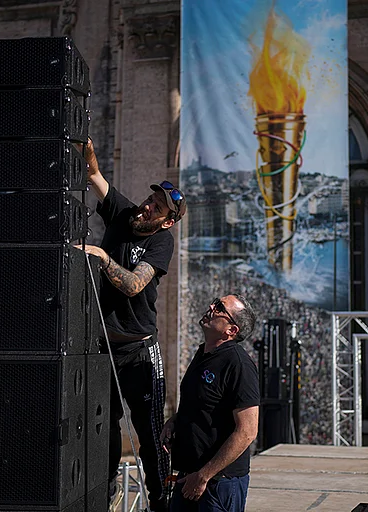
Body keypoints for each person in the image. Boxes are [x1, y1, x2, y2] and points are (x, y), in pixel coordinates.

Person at [80, 137, 187, 512]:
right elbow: (94, 174)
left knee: (150, 432)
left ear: (168, 220)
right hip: (104, 346)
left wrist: (104, 259)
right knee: (104, 424)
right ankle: (106, 496)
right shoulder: (124, 214)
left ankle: (161, 501)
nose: (147, 206)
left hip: (140, 348)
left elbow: (135, 284)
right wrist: (85, 148)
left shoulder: (162, 243)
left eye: (157, 206)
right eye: (150, 199)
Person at [161, 294, 260, 512]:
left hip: (217, 482)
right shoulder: (203, 354)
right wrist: (175, 421)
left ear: (231, 330)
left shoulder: (239, 365)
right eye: (215, 301)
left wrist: (205, 475)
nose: (211, 306)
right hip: (190, 475)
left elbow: (247, 432)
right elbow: (203, 405)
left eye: (219, 307)